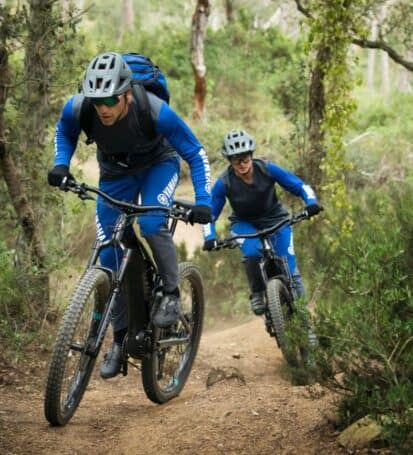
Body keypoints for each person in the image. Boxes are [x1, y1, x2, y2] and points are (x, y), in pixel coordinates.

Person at [48, 52, 212, 379]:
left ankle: (169, 293)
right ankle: (120, 339)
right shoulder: (78, 107)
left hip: (158, 166)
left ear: (125, 93)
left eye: (111, 99)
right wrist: (61, 164)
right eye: (97, 100)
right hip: (114, 174)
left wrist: (204, 200)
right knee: (108, 254)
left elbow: (195, 153)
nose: (104, 107)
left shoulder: (155, 111)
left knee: (151, 223)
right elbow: (64, 130)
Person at [202, 129, 322, 317]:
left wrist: (311, 203)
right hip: (244, 223)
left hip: (276, 218)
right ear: (229, 160)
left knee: (290, 269)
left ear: (251, 155)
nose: (242, 164)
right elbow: (209, 213)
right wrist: (209, 237)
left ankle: (306, 325)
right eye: (236, 160)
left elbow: (299, 185)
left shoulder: (267, 169)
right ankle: (257, 293)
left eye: (245, 158)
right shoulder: (224, 182)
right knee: (251, 252)